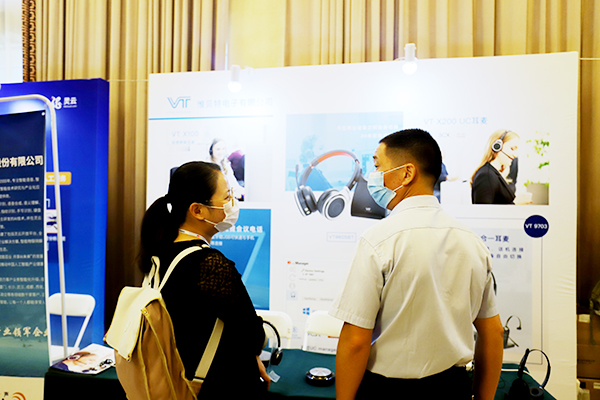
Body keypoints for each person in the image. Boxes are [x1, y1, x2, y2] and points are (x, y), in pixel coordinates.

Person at [330, 129, 504, 400]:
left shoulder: (378, 240)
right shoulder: (472, 242)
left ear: (406, 173)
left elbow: (355, 341)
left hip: (389, 392)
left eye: (377, 166)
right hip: (453, 389)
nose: (372, 176)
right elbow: (493, 333)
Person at [139, 161, 269, 398]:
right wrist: (255, 350)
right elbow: (252, 333)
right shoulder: (208, 263)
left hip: (176, 380)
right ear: (197, 210)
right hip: (213, 388)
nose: (232, 203)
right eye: (226, 197)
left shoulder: (161, 252)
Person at [471, 130, 520, 204]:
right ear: (497, 146)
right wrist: (516, 203)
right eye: (512, 149)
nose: (515, 155)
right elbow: (484, 210)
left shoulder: (494, 174)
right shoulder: (486, 175)